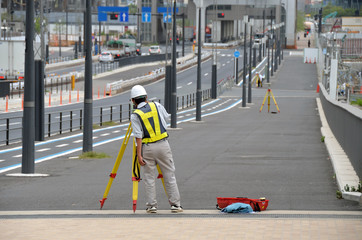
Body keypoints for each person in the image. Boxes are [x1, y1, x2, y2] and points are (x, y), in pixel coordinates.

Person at [130, 85, 183, 214]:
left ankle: (151, 206)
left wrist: (139, 156)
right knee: (169, 175)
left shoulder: (135, 115)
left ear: (133, 101)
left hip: (147, 148)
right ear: (146, 97)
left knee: (149, 177)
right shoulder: (157, 106)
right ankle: (175, 205)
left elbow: (138, 136)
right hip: (163, 145)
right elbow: (165, 119)